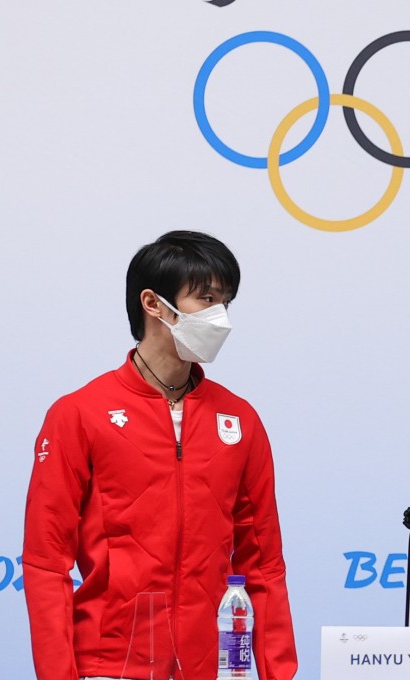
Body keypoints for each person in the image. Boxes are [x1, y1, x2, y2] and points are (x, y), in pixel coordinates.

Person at [22, 231, 298, 680]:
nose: (220, 317)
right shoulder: (79, 414)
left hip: (212, 667)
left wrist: (277, 674)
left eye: (225, 302)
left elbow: (263, 564)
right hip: (110, 665)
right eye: (206, 299)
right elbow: (45, 561)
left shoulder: (240, 419)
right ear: (153, 303)